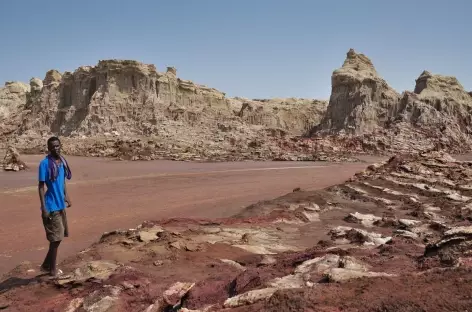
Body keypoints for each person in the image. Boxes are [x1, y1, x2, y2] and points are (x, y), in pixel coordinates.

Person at [38, 136, 72, 278]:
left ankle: (46, 265)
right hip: (51, 206)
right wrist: (44, 207)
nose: (56, 148)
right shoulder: (45, 164)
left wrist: (66, 196)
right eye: (53, 147)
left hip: (60, 204)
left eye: (57, 146)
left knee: (58, 236)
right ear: (49, 148)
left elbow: (62, 181)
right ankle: (52, 270)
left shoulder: (62, 162)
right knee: (55, 239)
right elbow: (40, 186)